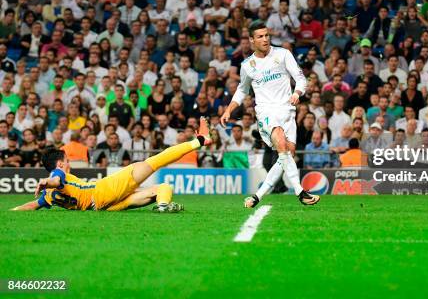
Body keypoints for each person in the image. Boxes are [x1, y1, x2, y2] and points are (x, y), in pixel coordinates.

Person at [11, 118, 212, 212]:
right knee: (153, 161)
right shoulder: (58, 174)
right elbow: (56, 179)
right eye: (67, 160)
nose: (69, 163)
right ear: (61, 163)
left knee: (163, 188)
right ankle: (200, 141)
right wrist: (47, 181)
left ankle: (162, 206)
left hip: (104, 206)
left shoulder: (48, 196)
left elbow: (31, 205)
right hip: (103, 190)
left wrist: (12, 212)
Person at [220, 21, 320, 208]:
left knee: (285, 155)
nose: (265, 39)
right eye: (260, 36)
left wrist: (297, 93)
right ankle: (300, 192)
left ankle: (257, 196)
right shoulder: (247, 65)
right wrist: (228, 109)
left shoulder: (283, 54)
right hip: (266, 111)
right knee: (281, 144)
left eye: (266, 35)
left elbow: (300, 79)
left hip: (287, 110)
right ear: (251, 40)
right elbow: (242, 90)